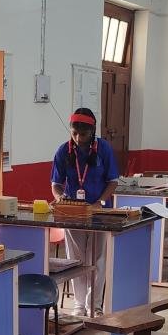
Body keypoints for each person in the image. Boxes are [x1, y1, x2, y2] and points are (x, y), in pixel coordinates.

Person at [50, 108, 119, 317]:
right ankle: (79, 305)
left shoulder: (104, 149)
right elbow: (56, 184)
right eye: (75, 133)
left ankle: (94, 305)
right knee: (77, 260)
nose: (79, 138)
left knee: (97, 260)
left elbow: (113, 181)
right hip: (74, 213)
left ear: (92, 131)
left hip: (99, 213)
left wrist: (100, 202)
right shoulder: (63, 151)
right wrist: (60, 197)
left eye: (84, 134)